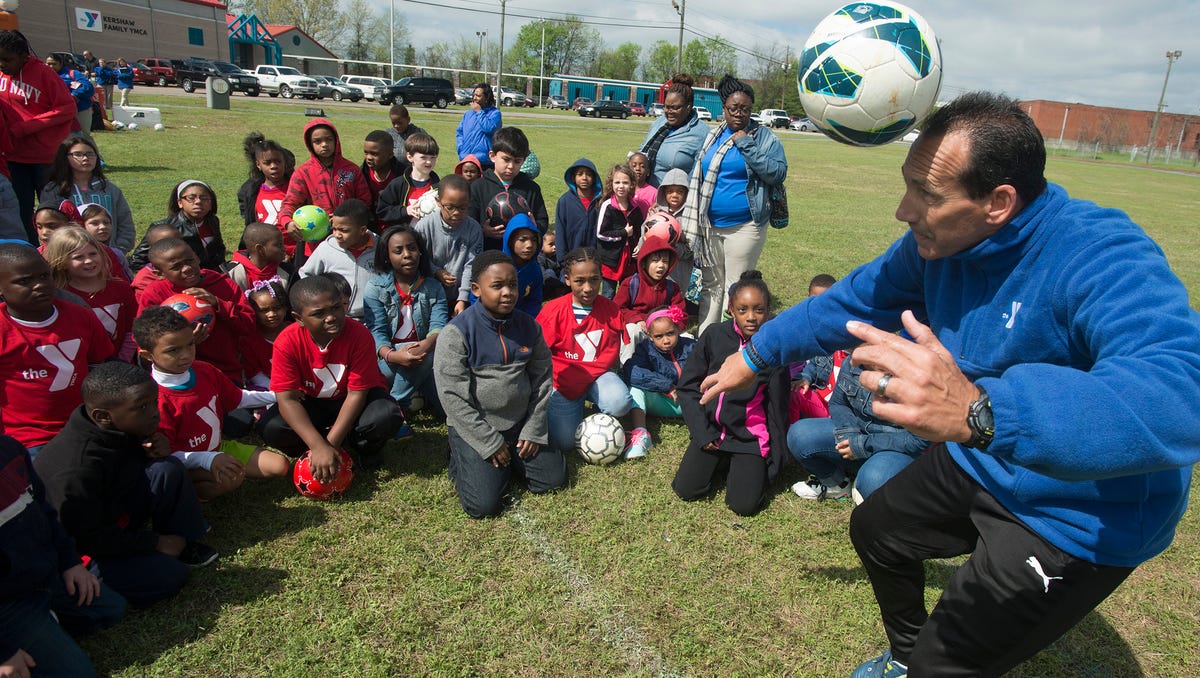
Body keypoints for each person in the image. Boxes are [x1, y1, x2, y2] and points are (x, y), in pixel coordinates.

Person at [697, 92, 1200, 677]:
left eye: (928, 195)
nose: (903, 211)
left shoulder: (1099, 253)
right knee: (878, 530)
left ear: (999, 202)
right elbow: (854, 302)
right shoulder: (936, 248)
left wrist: (981, 412)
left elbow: (1179, 390)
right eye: (908, 185)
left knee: (948, 665)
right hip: (987, 455)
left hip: (1079, 510)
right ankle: (907, 658)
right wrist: (757, 353)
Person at [33, 361, 218, 609]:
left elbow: (127, 465)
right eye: (142, 407)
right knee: (170, 577)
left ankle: (183, 541)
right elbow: (87, 537)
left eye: (154, 401)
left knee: (167, 468)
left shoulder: (113, 424)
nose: (154, 411)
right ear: (103, 416)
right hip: (84, 546)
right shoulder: (76, 470)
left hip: (114, 510)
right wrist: (153, 542)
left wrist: (154, 449)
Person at [434, 250, 560, 518]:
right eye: (497, 286)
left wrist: (533, 428)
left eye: (512, 285)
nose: (507, 292)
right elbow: (452, 398)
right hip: (478, 426)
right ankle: (460, 454)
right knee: (485, 506)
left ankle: (506, 460)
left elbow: (542, 379)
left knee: (551, 480)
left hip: (519, 424)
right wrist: (488, 441)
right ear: (476, 290)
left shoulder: (530, 327)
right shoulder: (456, 333)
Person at [134, 306, 289, 501]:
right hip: (185, 461)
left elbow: (238, 398)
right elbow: (166, 454)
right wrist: (207, 459)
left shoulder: (204, 369)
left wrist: (279, 395)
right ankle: (187, 489)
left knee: (279, 466)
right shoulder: (153, 398)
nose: (185, 354)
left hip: (217, 448)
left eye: (190, 344)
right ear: (148, 356)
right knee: (230, 479)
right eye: (173, 350)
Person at [0, 433, 122, 678]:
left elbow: (45, 511)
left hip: (42, 577)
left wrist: (70, 563)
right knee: (77, 673)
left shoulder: (10, 448)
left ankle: (44, 628)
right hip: (7, 605)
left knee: (113, 608)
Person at [258, 275, 404, 472]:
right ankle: (313, 452)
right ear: (299, 318)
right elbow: (287, 399)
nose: (331, 317)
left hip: (352, 400)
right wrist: (318, 446)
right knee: (272, 427)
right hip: (311, 402)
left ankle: (362, 447)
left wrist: (331, 444)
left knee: (386, 415)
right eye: (319, 313)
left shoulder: (359, 335)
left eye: (336, 307)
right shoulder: (287, 341)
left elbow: (356, 394)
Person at [673, 271, 789, 516]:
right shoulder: (714, 335)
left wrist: (774, 461)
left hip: (749, 439)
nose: (751, 317)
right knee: (685, 489)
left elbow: (778, 409)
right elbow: (687, 387)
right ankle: (721, 461)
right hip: (712, 432)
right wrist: (701, 433)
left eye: (759, 310)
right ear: (730, 309)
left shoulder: (774, 349)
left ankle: (740, 466)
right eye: (743, 309)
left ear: (768, 311)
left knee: (743, 506)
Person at [681, 75, 787, 332]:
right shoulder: (712, 136)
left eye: (745, 109)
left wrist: (745, 144)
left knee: (734, 285)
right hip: (709, 225)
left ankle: (733, 342)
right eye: (733, 108)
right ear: (724, 108)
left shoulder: (763, 138)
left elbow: (777, 172)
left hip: (745, 225)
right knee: (711, 285)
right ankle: (707, 338)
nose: (739, 113)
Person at [0, 243, 114, 456]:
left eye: (44, 276)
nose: (39, 285)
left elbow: (103, 366)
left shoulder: (80, 315)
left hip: (86, 425)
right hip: (28, 439)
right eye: (24, 281)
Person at [537, 248, 649, 461]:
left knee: (619, 402)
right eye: (580, 281)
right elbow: (538, 355)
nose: (588, 288)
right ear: (568, 280)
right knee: (565, 442)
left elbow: (614, 353)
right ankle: (569, 406)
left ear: (601, 278)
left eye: (594, 280)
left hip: (598, 376)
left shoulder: (611, 309)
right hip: (564, 382)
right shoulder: (552, 311)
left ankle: (603, 411)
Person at [788, 359, 931, 504]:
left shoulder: (915, 374)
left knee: (872, 480)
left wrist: (862, 445)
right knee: (799, 435)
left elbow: (920, 439)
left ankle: (873, 479)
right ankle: (837, 485)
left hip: (897, 448)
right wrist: (849, 434)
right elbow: (838, 403)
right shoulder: (852, 362)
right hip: (858, 432)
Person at [138, 237, 257, 386]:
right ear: (159, 273)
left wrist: (217, 303)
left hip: (224, 371)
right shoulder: (155, 294)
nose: (187, 269)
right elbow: (143, 339)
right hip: (176, 377)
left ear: (197, 257)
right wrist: (185, 343)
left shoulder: (222, 283)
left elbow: (248, 324)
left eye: (190, 261)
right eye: (176, 267)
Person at [0, 31, 77, 240]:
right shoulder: (1, 75)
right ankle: (32, 252)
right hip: (13, 156)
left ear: (24, 56)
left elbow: (67, 108)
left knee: (52, 210)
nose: (2, 65)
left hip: (45, 158)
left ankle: (59, 251)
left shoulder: (44, 74)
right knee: (20, 211)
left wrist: (26, 127)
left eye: (7, 60)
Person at [363, 224, 447, 411]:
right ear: (387, 256)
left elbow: (439, 326)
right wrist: (393, 355)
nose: (407, 254)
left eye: (412, 248)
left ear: (420, 252)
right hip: (387, 362)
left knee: (449, 408)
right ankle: (400, 404)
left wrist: (424, 346)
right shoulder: (375, 288)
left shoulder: (434, 287)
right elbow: (376, 331)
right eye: (398, 251)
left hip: (425, 357)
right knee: (422, 356)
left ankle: (394, 403)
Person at [278, 118, 371, 260]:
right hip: (316, 243)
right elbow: (289, 203)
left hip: (350, 240)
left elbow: (365, 201)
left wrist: (348, 217)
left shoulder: (351, 170)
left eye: (328, 139)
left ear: (336, 140)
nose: (324, 145)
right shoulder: (303, 172)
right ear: (310, 144)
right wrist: (287, 222)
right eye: (317, 141)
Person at [44, 225, 138, 361]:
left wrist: (123, 361)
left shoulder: (120, 288)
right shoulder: (60, 296)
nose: (88, 261)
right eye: (78, 257)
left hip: (119, 364)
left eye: (93, 254)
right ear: (62, 262)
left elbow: (132, 330)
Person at [40, 137, 134, 252]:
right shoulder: (54, 190)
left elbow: (125, 222)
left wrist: (118, 250)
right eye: (78, 154)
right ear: (65, 157)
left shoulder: (110, 190)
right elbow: (50, 225)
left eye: (90, 154)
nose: (85, 158)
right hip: (69, 254)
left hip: (110, 254)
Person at [413, 174, 482, 317]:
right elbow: (419, 259)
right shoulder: (424, 227)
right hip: (428, 296)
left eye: (463, 208)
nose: (456, 213)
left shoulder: (474, 229)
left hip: (459, 297)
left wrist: (462, 298)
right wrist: (436, 271)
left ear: (470, 202)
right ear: (438, 202)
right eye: (450, 207)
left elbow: (471, 265)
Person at [469, 127, 549, 249]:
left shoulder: (531, 188)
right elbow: (468, 221)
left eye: (517, 161)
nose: (511, 166)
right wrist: (483, 230)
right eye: (506, 159)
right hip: (488, 253)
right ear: (492, 156)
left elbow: (542, 220)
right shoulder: (478, 187)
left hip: (521, 258)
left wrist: (534, 226)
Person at [299, 198, 376, 320]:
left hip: (374, 319)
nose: (337, 234)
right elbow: (306, 275)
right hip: (337, 319)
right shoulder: (326, 248)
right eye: (334, 229)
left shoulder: (380, 248)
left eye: (343, 230)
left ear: (362, 230)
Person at [128, 180, 226, 272]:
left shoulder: (212, 221)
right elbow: (137, 261)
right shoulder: (164, 228)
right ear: (180, 203)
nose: (198, 202)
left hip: (210, 277)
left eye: (204, 198)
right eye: (191, 198)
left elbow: (218, 251)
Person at [613, 232, 685, 356]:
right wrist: (637, 319)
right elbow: (617, 308)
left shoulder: (672, 287)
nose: (661, 266)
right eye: (655, 261)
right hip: (640, 329)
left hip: (663, 332)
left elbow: (681, 314)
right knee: (631, 331)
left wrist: (672, 325)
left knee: (688, 337)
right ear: (644, 263)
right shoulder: (631, 283)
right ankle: (628, 368)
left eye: (665, 261)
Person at [621, 305, 695, 422]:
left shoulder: (691, 346)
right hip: (661, 401)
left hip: (691, 402)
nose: (666, 341)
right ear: (650, 336)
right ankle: (640, 431)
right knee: (635, 390)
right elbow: (632, 372)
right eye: (658, 336)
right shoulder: (645, 349)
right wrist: (667, 386)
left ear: (678, 329)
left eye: (670, 333)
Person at [637, 74, 709, 183]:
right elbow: (642, 149)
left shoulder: (702, 133)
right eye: (666, 106)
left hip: (673, 197)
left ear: (688, 107)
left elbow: (700, 175)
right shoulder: (659, 123)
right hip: (645, 195)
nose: (668, 111)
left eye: (675, 108)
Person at [237, 133, 295, 255]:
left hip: (292, 251)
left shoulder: (295, 188)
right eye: (267, 163)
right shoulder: (252, 191)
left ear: (285, 162)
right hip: (263, 252)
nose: (274, 166)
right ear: (258, 165)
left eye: (278, 162)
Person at [595, 164, 645, 298]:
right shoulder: (607, 206)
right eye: (617, 182)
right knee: (609, 293)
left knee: (626, 291)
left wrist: (639, 247)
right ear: (611, 184)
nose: (621, 186)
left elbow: (640, 231)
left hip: (629, 259)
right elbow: (601, 233)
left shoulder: (635, 207)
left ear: (632, 185)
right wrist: (623, 233)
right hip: (611, 259)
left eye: (625, 182)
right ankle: (606, 316)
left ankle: (623, 315)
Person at [376, 133, 441, 228]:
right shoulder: (397, 185)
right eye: (423, 157)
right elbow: (382, 211)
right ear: (410, 157)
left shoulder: (440, 187)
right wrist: (406, 211)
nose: (429, 162)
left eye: (433, 157)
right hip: (404, 238)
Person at [644, 168, 692, 292]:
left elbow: (691, 250)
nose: (674, 195)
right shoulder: (655, 212)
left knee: (674, 302)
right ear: (663, 192)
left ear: (687, 193)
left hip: (678, 272)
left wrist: (671, 245)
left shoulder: (690, 216)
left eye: (680, 191)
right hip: (653, 270)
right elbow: (644, 234)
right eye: (670, 191)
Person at [553, 158, 602, 271]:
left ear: (594, 178)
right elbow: (560, 230)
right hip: (571, 258)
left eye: (589, 174)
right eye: (580, 174)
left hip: (593, 259)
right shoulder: (564, 201)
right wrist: (562, 259)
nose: (584, 178)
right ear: (573, 178)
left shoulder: (600, 201)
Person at [224, 222, 294, 292]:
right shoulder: (231, 274)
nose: (284, 248)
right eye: (278, 245)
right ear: (260, 249)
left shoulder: (288, 271)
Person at [499, 212, 543, 316]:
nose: (529, 245)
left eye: (534, 240)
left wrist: (522, 324)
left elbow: (534, 302)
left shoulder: (534, 270)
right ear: (510, 241)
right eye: (522, 240)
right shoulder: (495, 267)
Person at [45, 54, 95, 144]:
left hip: (80, 110)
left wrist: (73, 96)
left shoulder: (73, 74)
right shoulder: (46, 76)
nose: (51, 66)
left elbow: (88, 87)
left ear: (60, 64)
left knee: (84, 137)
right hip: (59, 112)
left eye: (54, 64)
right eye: (48, 64)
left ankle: (96, 157)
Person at [77, 203, 133, 281]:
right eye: (95, 223)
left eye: (106, 222)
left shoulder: (116, 254)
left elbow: (129, 281)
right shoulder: (75, 256)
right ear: (80, 225)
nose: (103, 227)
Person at [455, 83, 502, 167]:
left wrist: (480, 112)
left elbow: (489, 129)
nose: (474, 98)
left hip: (484, 162)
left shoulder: (495, 114)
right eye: (474, 95)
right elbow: (460, 133)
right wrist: (461, 149)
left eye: (478, 96)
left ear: (486, 97)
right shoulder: (468, 114)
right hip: (466, 159)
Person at [361, 130, 404, 214]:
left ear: (390, 155)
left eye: (375, 154)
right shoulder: (361, 174)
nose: (369, 157)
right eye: (366, 153)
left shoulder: (404, 175)